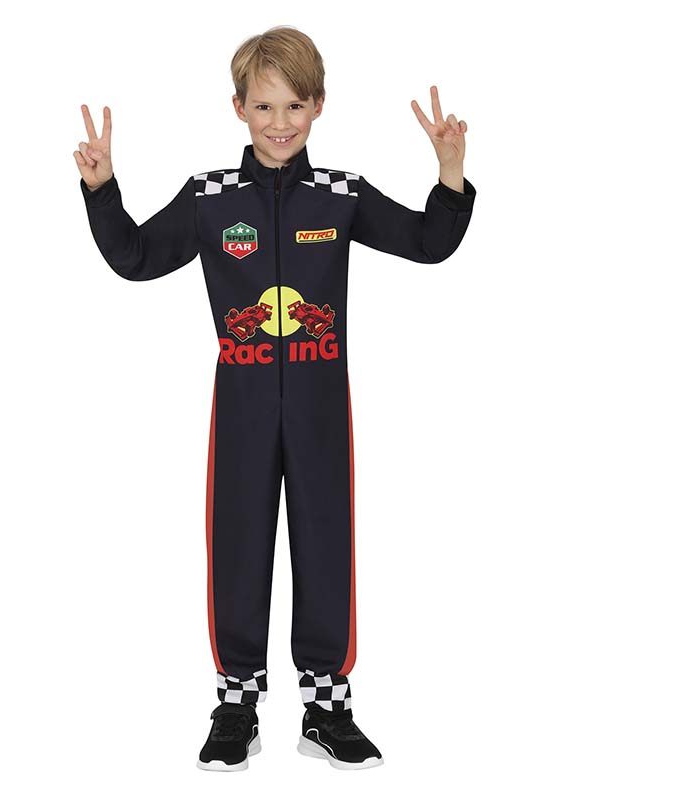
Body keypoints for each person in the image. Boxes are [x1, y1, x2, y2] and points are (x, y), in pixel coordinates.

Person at [74, 25, 476, 772]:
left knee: (326, 543)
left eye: (294, 105)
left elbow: (428, 242)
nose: (280, 123)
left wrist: (449, 178)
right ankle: (237, 705)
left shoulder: (341, 194)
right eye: (264, 106)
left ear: (318, 105)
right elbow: (136, 257)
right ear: (238, 108)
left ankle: (327, 708)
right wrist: (102, 191)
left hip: (321, 406)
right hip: (244, 404)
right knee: (238, 543)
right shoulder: (210, 197)